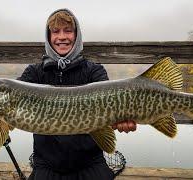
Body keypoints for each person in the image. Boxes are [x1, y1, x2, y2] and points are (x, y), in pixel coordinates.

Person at [18, 8, 137, 180]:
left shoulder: (94, 71)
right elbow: (12, 89)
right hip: (47, 166)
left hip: (90, 164)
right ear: (48, 37)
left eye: (68, 31)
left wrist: (122, 120)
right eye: (55, 32)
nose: (62, 37)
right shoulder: (35, 73)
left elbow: (112, 105)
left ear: (77, 35)